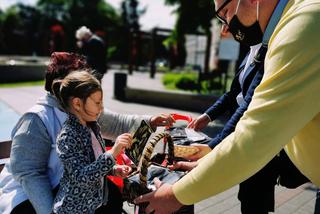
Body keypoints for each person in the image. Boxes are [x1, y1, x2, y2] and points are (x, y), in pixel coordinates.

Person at [134, 0, 320, 213]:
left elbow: (255, 135)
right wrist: (211, 157)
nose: (226, 27)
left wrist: (175, 195)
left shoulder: (302, 26)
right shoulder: (292, 22)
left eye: (226, 14)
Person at [0, 52, 175, 214]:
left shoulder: (83, 108)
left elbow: (117, 123)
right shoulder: (36, 119)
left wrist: (151, 121)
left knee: (111, 197)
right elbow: (29, 174)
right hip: (32, 196)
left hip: (72, 185)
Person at [51, 71, 132, 213]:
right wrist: (113, 153)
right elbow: (82, 176)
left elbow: (94, 165)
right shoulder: (68, 136)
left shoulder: (92, 127)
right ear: (77, 103)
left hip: (91, 206)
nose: (101, 108)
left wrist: (113, 169)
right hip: (73, 209)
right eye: (97, 102)